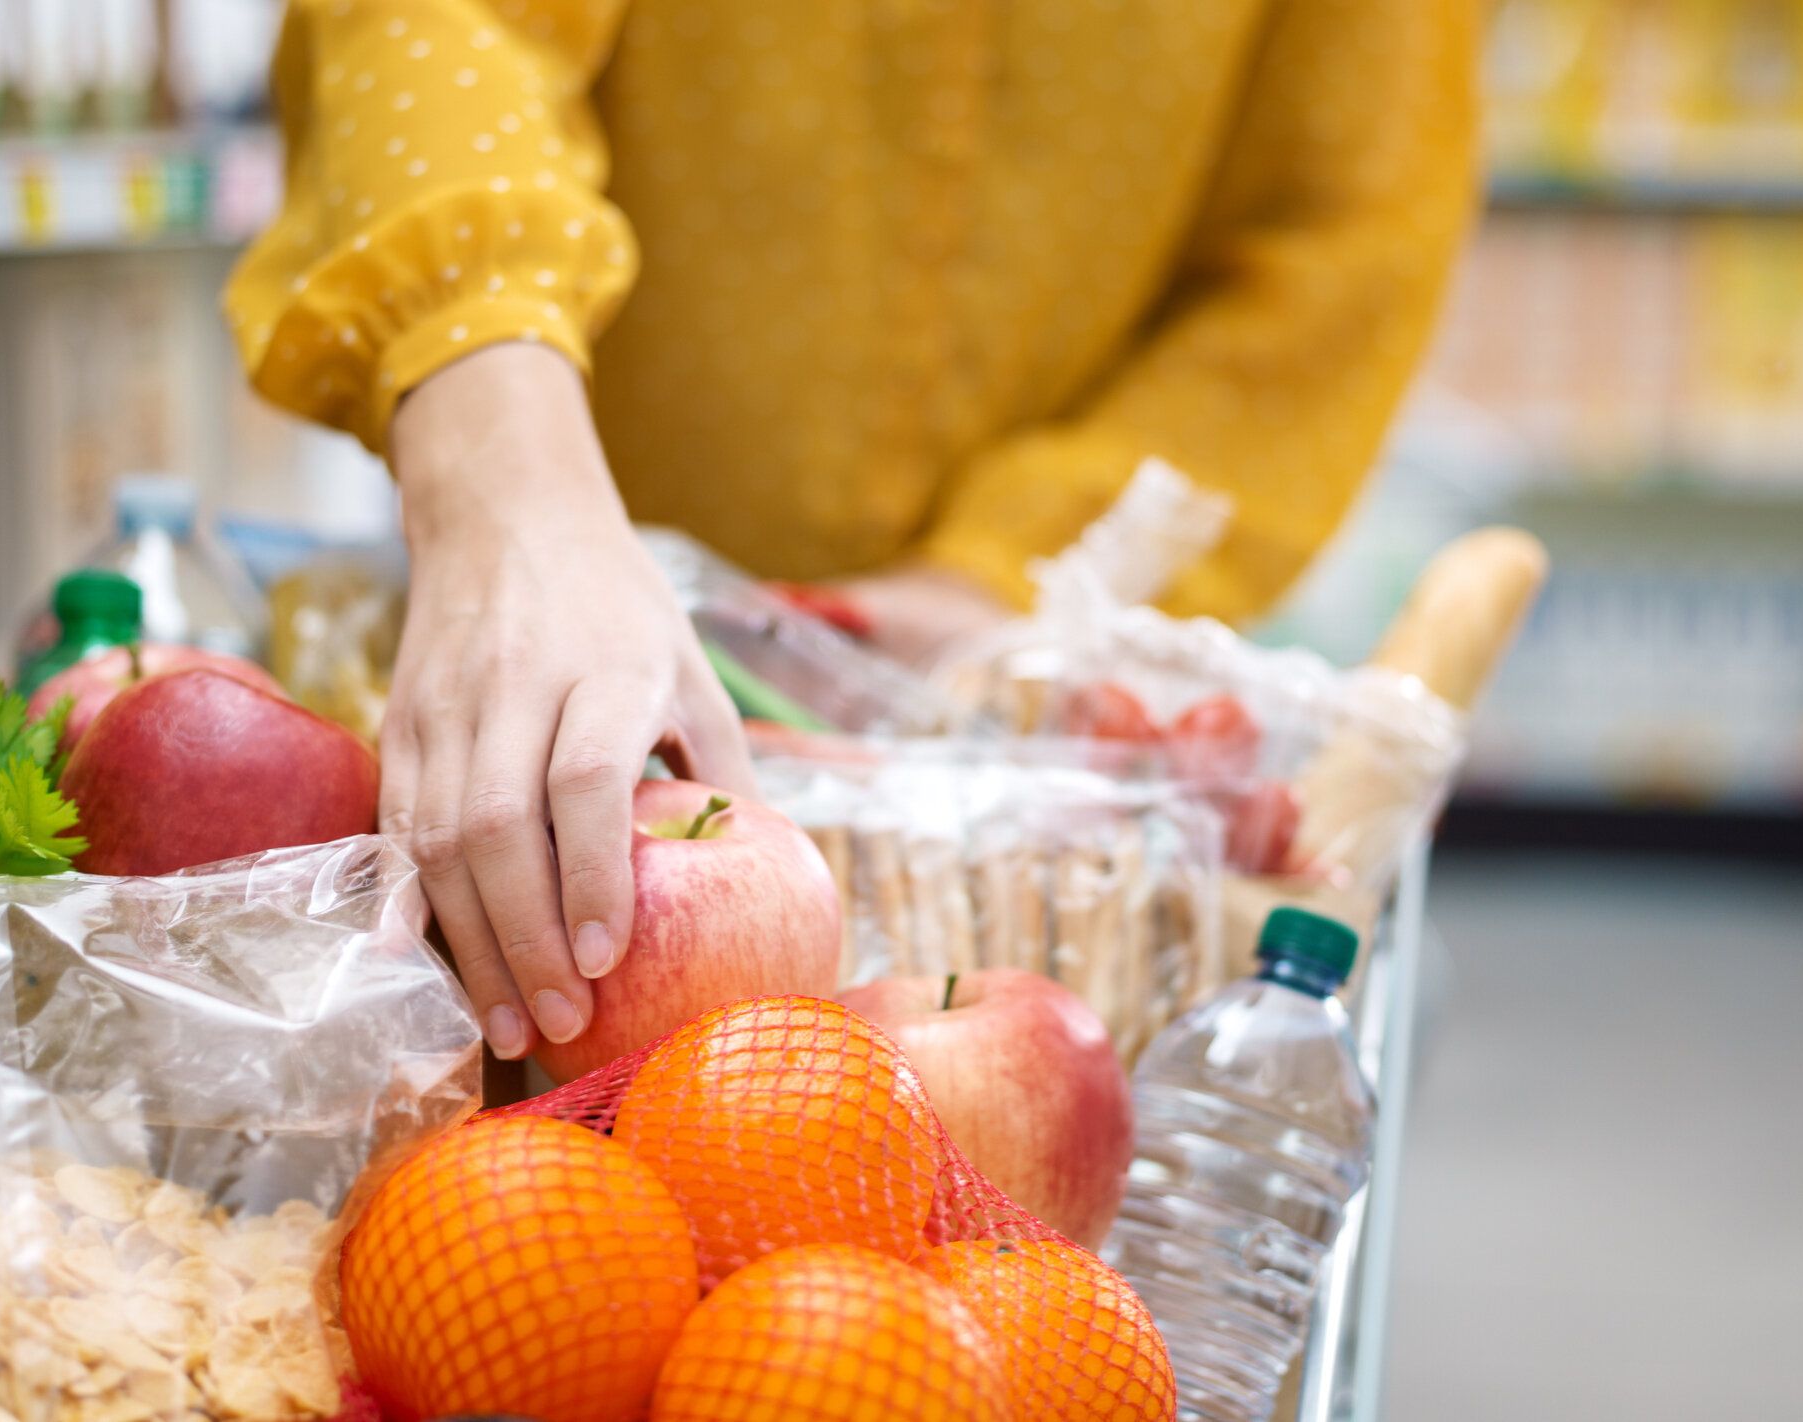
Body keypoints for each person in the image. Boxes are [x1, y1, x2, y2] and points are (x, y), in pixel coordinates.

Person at [227, 0, 1479, 1065]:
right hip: (544, 654)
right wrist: (506, 482)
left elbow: (1338, 238)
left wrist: (1008, 567)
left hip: (1032, 743)